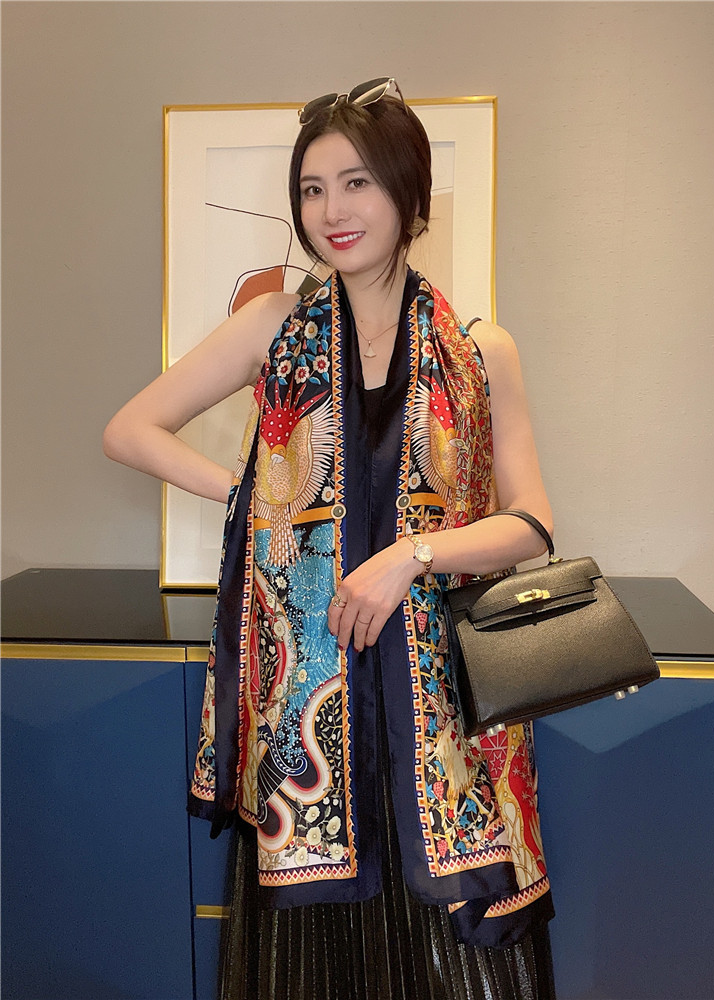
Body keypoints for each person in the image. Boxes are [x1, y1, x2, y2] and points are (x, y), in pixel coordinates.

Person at [104, 77, 556, 1000]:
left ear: (408, 193)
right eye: (312, 189)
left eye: (357, 183)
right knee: (316, 967)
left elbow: (532, 525)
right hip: (311, 710)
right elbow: (130, 429)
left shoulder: (481, 348)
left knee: (456, 963)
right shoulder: (274, 328)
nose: (332, 211)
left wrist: (409, 557)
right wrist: (252, 497)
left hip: (442, 711)